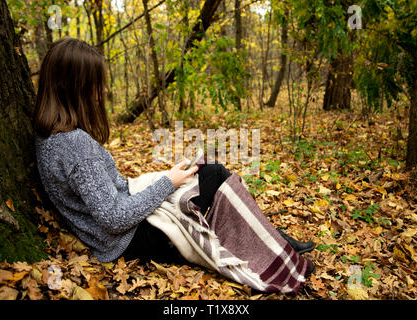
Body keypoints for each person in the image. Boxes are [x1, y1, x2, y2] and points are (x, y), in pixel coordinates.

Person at [33, 37, 315, 288]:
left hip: (117, 233)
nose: (105, 90)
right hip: (129, 240)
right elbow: (113, 218)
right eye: (98, 82)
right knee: (212, 175)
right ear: (74, 85)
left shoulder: (49, 135)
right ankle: (277, 249)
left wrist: (165, 180)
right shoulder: (74, 145)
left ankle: (274, 240)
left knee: (204, 171)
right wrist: (168, 183)